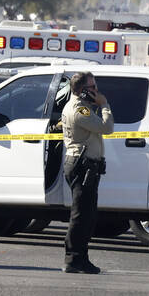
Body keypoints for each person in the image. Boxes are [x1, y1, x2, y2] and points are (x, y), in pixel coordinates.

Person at [59, 71, 113, 274]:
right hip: (82, 165)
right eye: (93, 88)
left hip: (86, 165)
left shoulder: (82, 107)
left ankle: (81, 259)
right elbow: (107, 128)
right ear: (82, 91)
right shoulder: (79, 110)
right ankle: (72, 259)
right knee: (80, 215)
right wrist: (105, 104)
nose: (97, 91)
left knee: (87, 215)